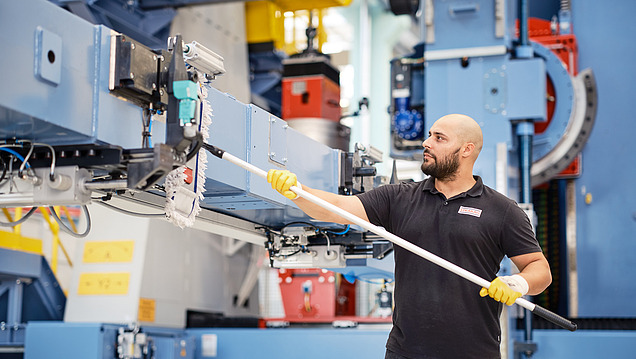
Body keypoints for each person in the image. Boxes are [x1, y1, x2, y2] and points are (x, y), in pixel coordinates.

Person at [266, 114, 552, 359]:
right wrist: (297, 191)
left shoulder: (502, 211)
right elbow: (338, 209)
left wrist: (517, 282)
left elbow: (540, 270)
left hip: (475, 353)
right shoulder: (400, 198)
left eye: (439, 138)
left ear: (466, 150)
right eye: (429, 135)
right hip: (405, 352)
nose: (426, 143)